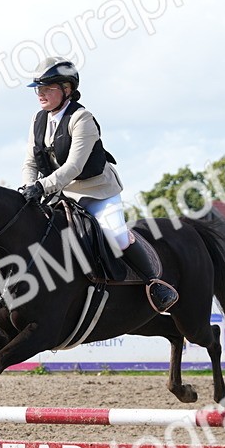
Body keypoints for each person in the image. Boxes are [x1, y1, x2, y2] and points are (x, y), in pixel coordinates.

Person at [19, 57, 178, 313]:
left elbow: (74, 167)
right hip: (61, 193)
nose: (41, 94)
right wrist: (29, 187)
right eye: (39, 88)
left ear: (67, 89)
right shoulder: (38, 120)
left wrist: (42, 187)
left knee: (115, 235)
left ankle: (155, 283)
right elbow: (30, 162)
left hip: (97, 191)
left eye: (48, 88)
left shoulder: (82, 119)